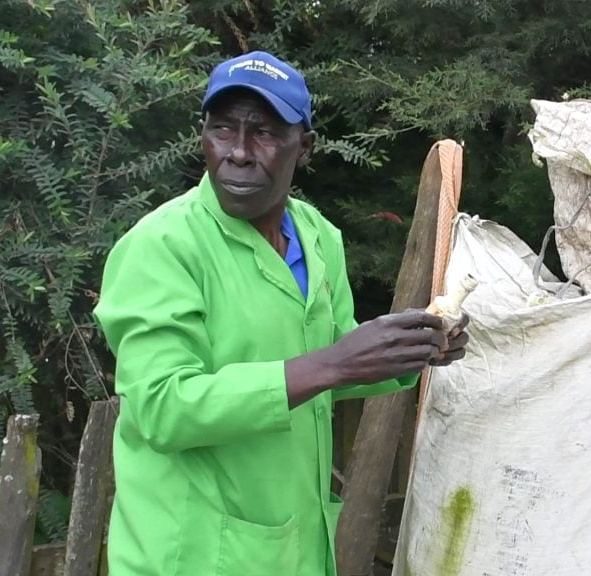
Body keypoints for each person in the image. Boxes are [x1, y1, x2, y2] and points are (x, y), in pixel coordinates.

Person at [92, 51, 469, 576]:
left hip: (295, 550)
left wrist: (411, 350)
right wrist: (333, 363)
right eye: (223, 129)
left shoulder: (316, 237)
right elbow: (162, 408)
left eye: (265, 133)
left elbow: (328, 367)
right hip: (190, 556)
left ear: (305, 147)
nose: (239, 153)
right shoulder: (162, 247)